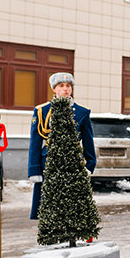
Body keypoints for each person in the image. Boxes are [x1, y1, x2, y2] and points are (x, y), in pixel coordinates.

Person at [28, 73, 97, 220]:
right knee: (48, 207)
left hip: (73, 163)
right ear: (54, 89)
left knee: (72, 208)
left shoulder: (82, 112)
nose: (65, 89)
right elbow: (35, 142)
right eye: (61, 86)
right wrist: (34, 170)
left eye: (68, 86)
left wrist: (89, 165)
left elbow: (88, 141)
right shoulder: (42, 111)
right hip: (48, 163)